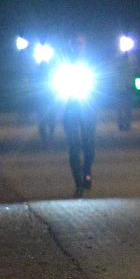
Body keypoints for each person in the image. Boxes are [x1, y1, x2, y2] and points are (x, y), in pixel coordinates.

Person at [58, 35, 98, 197]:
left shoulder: (92, 61)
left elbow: (100, 82)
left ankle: (87, 171)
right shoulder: (65, 63)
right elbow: (57, 83)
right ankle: (78, 182)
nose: (78, 46)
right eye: (75, 44)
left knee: (88, 144)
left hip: (88, 107)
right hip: (71, 107)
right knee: (74, 146)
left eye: (81, 44)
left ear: (85, 45)